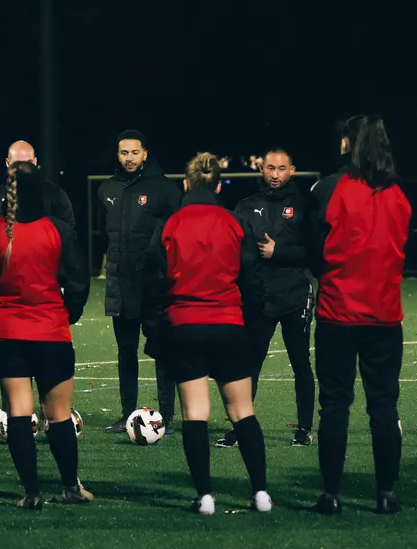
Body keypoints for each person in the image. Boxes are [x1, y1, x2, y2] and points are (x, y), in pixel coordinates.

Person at [143, 152, 271, 515]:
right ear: (217, 185)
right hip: (228, 323)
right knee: (242, 410)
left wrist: (156, 326)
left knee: (195, 412)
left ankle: (205, 497)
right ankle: (260, 493)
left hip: (185, 325)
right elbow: (251, 278)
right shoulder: (233, 222)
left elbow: (153, 280)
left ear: (186, 184)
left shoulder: (171, 225)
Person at [0, 160, 93, 508]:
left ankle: (31, 493)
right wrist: (69, 314)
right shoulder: (57, 230)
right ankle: (69, 488)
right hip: (51, 333)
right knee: (60, 414)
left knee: (19, 413)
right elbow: (78, 281)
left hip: (8, 337)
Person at [307, 115, 410, 515]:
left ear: (350, 143)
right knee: (383, 407)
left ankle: (332, 495)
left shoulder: (332, 188)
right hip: (384, 315)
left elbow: (314, 249)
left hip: (338, 312)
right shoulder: (397, 193)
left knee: (334, 405)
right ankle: (386, 495)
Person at [214, 148, 315, 449]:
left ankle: (305, 429)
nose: (275, 174)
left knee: (300, 362)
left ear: (292, 170)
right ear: (262, 169)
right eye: (270, 168)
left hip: (295, 295)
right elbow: (236, 250)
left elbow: (316, 251)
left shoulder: (306, 205)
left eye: (281, 168)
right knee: (249, 365)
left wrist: (279, 252)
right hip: (258, 297)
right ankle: (241, 428)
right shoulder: (247, 206)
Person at [0, 140, 75, 424]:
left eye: (28, 164)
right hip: (9, 305)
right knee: (17, 403)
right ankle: (19, 420)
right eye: (17, 165)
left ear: (37, 165)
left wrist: (68, 301)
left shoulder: (56, 197)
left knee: (51, 389)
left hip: (47, 303)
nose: (22, 170)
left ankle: (48, 418)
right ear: (7, 165)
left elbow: (71, 250)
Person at [97, 130, 182, 433]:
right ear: (117, 155)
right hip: (121, 286)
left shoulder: (165, 189)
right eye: (123, 153)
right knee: (125, 352)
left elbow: (177, 236)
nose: (129, 158)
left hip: (156, 286)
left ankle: (167, 417)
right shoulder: (107, 188)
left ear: (145, 154)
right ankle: (127, 414)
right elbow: (105, 234)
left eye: (134, 152)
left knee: (162, 351)